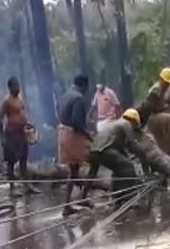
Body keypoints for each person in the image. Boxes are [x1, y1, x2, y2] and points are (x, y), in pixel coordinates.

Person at [80, 109, 143, 208]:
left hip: (93, 151)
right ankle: (131, 198)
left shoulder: (115, 123)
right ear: (134, 121)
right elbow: (132, 143)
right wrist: (142, 153)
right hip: (104, 150)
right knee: (128, 166)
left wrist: (127, 155)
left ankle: (83, 197)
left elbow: (119, 148)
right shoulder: (126, 123)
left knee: (94, 172)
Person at [0, 77, 39, 196]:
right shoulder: (7, 101)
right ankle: (12, 189)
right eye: (15, 86)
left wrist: (27, 123)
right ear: (10, 87)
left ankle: (27, 186)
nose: (18, 88)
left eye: (18, 85)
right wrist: (2, 136)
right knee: (11, 162)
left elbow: (21, 114)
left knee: (23, 160)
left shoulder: (19, 99)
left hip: (21, 133)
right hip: (11, 134)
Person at [59, 74, 92, 216]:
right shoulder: (78, 98)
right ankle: (83, 196)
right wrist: (88, 135)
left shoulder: (65, 95)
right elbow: (77, 122)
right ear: (84, 86)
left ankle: (68, 205)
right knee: (95, 159)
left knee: (73, 170)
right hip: (72, 134)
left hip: (62, 132)